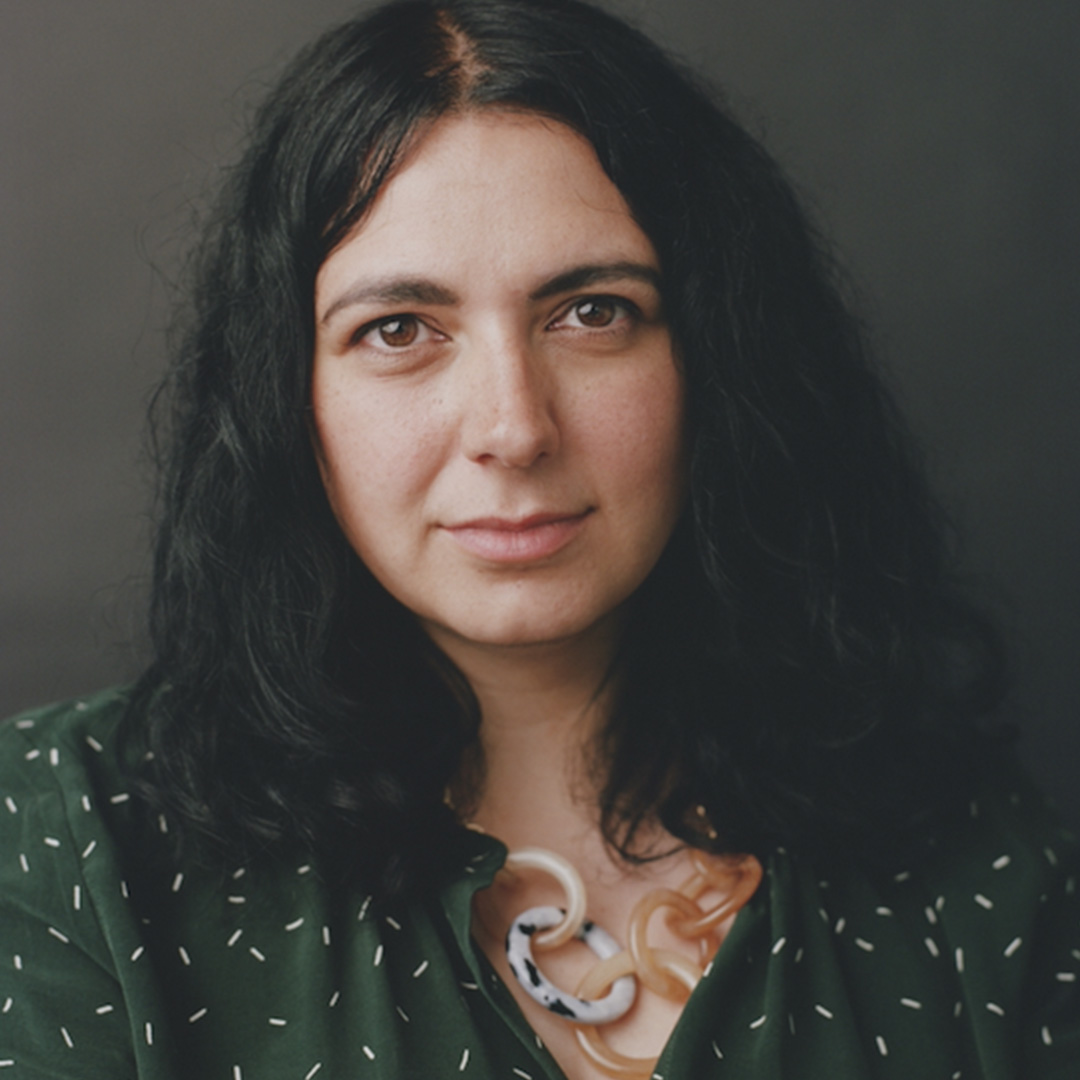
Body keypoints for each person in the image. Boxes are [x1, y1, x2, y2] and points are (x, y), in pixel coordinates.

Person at [1, 0, 1076, 1076]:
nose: (513, 427)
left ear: (717, 362)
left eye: (592, 312)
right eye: (399, 330)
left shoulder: (977, 865)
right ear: (288, 398)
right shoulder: (71, 851)